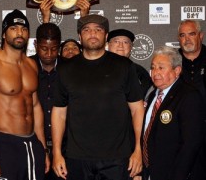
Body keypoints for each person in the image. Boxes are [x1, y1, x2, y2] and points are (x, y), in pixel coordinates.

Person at [51, 14, 145, 180]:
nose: (92, 34)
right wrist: (57, 153)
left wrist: (138, 149)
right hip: (76, 158)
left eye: (98, 30)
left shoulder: (124, 66)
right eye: (87, 30)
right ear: (80, 36)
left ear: (106, 35)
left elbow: (137, 109)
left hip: (117, 158)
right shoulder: (66, 69)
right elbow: (59, 112)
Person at [0, 9, 49, 180]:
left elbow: (36, 107)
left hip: (31, 144)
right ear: (4, 33)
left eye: (23, 29)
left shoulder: (31, 65)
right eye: (13, 28)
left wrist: (42, 148)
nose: (19, 33)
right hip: (3, 144)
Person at [142, 46, 204, 180]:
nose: (155, 72)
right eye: (153, 67)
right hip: (151, 172)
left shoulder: (188, 96)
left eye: (161, 67)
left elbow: (191, 143)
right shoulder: (152, 95)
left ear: (177, 70)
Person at [30, 23, 64, 180]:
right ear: (36, 45)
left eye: (54, 48)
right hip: (32, 145)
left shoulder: (70, 68)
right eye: (44, 48)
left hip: (66, 148)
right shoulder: (25, 67)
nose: (49, 53)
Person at [177, 19, 206, 179]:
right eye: (182, 35)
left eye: (192, 34)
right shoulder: (171, 62)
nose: (187, 39)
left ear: (200, 36)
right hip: (180, 134)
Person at [107, 28, 153, 99]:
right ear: (108, 45)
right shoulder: (98, 68)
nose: (121, 45)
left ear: (131, 47)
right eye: (116, 41)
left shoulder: (139, 72)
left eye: (125, 42)